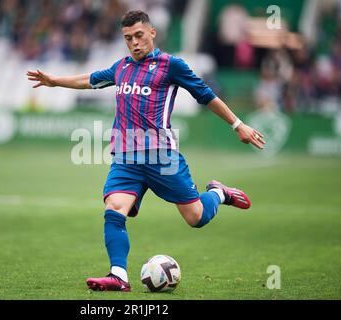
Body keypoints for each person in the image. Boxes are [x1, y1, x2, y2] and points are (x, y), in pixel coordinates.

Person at [27, 10, 266, 292]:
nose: (134, 43)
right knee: (114, 210)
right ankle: (118, 275)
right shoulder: (121, 68)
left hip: (161, 157)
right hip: (126, 158)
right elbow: (90, 80)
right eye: (128, 38)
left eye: (139, 35)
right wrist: (55, 81)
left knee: (196, 218)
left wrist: (237, 124)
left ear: (152, 33)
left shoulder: (171, 65)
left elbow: (205, 94)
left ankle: (219, 193)